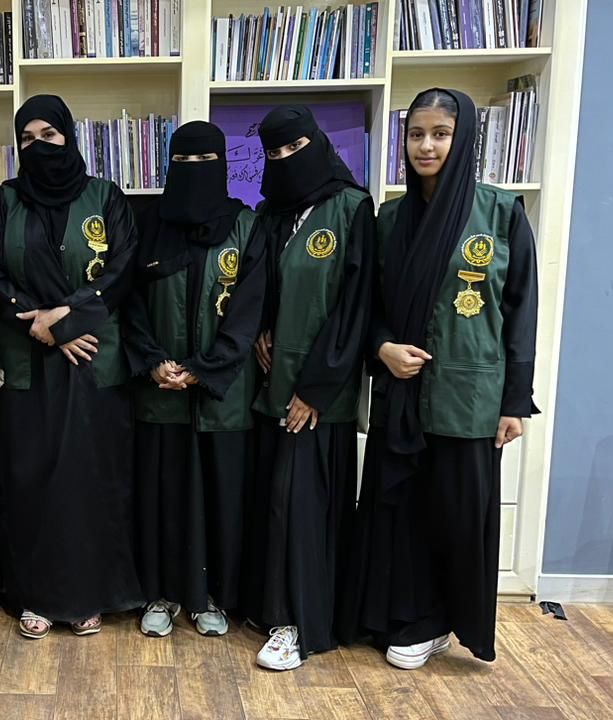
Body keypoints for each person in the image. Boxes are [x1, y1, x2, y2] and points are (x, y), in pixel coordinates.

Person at [339, 88, 538, 669]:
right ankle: (401, 615)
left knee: (455, 515)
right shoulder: (391, 218)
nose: (426, 146)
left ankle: (438, 621)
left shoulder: (500, 213)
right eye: (416, 134)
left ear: (464, 138)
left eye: (441, 134)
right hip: (401, 392)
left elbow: (521, 311)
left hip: (469, 396)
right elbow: (367, 305)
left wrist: (514, 401)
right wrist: (381, 347)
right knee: (400, 510)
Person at [0, 94, 143, 639]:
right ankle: (36, 595)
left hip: (92, 361)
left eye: (48, 135)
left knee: (89, 481)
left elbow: (123, 270)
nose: (38, 146)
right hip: (27, 361)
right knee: (31, 482)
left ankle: (90, 594)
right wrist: (39, 325)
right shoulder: (4, 201)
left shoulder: (106, 197)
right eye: (27, 139)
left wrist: (66, 321)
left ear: (68, 136)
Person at [240, 106, 375, 671]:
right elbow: (260, 285)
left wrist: (315, 389)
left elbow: (355, 307)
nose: (285, 161)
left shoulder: (352, 208)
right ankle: (271, 608)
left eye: (294, 148)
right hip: (272, 385)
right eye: (273, 153)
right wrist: (258, 330)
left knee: (301, 508)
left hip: (319, 395)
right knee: (272, 505)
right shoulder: (270, 214)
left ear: (316, 143)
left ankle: (297, 624)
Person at [124, 121, 263, 639]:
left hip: (221, 397)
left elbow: (250, 310)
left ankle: (211, 598)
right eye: (182, 161)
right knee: (162, 498)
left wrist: (204, 369)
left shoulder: (246, 226)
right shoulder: (148, 224)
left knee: (220, 499)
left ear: (222, 165)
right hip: (158, 391)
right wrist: (152, 360)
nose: (193, 171)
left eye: (205, 161)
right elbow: (129, 302)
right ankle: (160, 593)